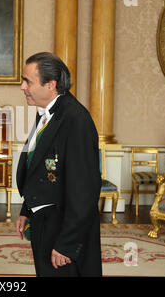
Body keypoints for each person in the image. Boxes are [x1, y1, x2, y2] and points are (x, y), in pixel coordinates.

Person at [15, 52, 102, 277]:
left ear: (51, 84)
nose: (22, 86)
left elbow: (84, 189)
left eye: (28, 81)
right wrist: (27, 208)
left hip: (63, 226)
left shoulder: (76, 120)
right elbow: (38, 167)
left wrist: (67, 243)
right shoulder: (45, 114)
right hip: (44, 219)